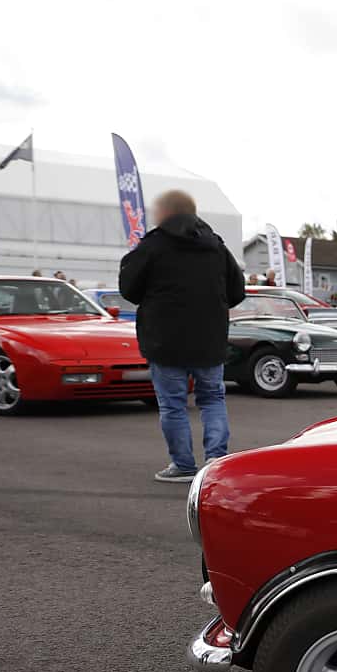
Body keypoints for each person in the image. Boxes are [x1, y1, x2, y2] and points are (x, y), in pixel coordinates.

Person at [119, 189, 245, 482]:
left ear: (165, 213)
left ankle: (183, 466)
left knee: (173, 404)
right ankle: (216, 460)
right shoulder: (216, 245)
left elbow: (129, 289)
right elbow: (237, 290)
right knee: (212, 398)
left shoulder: (153, 245)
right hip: (209, 338)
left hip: (165, 339)